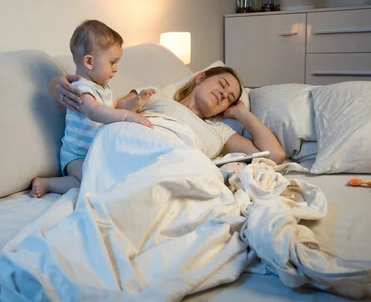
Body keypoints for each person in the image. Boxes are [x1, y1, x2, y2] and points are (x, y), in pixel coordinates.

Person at [48, 65, 287, 166]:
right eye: (222, 85)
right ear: (200, 77)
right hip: (133, 148)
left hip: (179, 161)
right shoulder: (155, 96)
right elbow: (107, 107)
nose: (224, 95)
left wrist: (243, 114)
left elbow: (275, 155)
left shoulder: (220, 131)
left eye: (229, 98)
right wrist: (60, 83)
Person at [31, 20, 156, 198]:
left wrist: (135, 102)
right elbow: (94, 111)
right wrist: (127, 116)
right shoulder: (81, 88)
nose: (116, 69)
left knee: (114, 176)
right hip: (76, 156)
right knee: (91, 181)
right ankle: (48, 183)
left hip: (96, 153)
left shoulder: (103, 88)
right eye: (112, 62)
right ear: (89, 62)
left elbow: (114, 108)